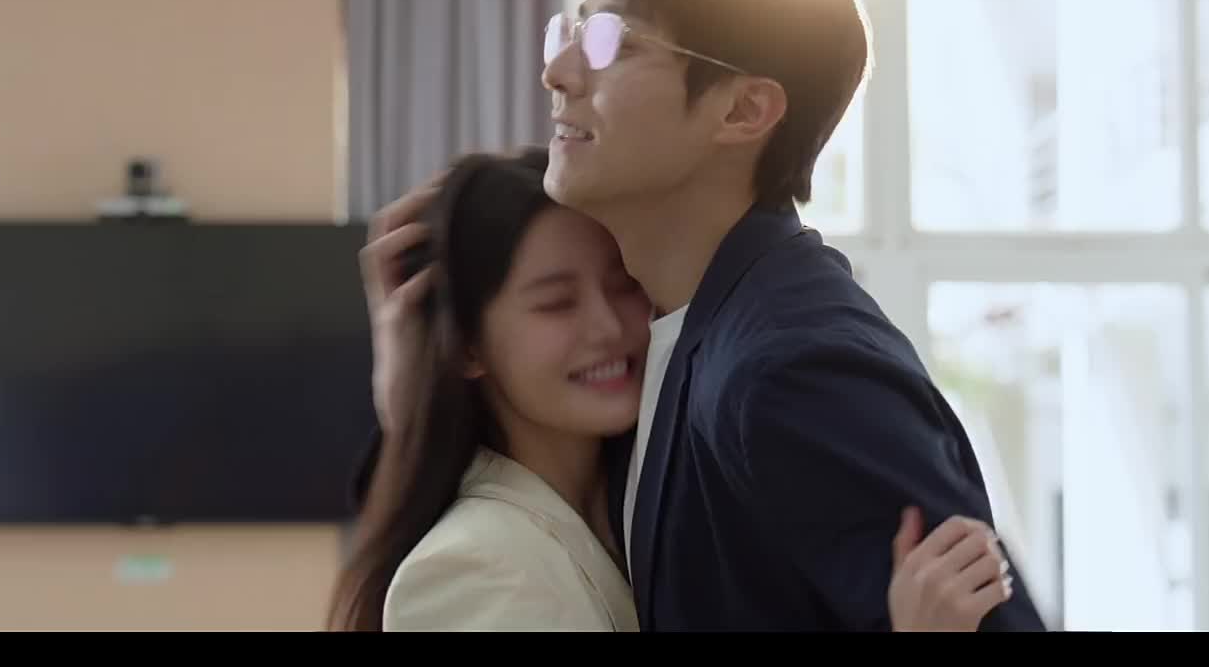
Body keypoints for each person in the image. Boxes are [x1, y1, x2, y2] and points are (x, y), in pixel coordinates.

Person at [535, 0, 1049, 632]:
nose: (559, 70)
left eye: (615, 41)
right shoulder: (677, 325)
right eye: (574, 31)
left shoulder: (793, 368)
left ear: (743, 110)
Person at [329, 147, 1016, 632]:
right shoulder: (472, 568)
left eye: (622, 284)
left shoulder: (643, 499)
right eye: (556, 303)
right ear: (468, 346)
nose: (608, 327)